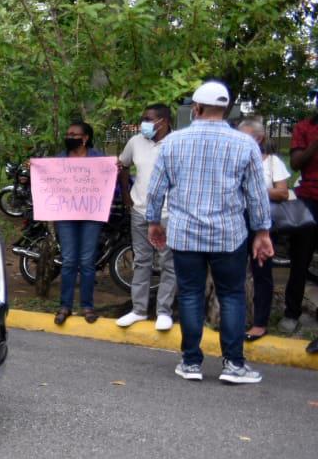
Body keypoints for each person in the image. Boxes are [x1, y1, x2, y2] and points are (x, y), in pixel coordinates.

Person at [146, 81, 272, 384]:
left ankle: (191, 362)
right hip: (228, 235)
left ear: (197, 109)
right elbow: (256, 195)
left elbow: (156, 189)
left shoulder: (174, 142)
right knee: (231, 296)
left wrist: (153, 222)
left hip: (185, 233)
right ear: (226, 109)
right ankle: (234, 365)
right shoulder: (245, 145)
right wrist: (262, 231)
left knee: (189, 295)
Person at [116, 104, 178, 331]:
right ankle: (138, 310)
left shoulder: (177, 142)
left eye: (147, 119)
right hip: (140, 211)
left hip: (168, 213)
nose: (143, 123)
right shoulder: (135, 142)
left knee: (168, 262)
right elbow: (122, 166)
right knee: (141, 261)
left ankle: (164, 311)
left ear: (163, 121)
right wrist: (125, 194)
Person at [238, 118, 292, 340]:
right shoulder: (234, 159)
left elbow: (282, 193)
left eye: (245, 135)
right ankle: (232, 318)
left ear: (258, 138)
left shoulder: (272, 162)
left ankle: (260, 322)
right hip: (234, 221)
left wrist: (254, 189)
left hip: (259, 222)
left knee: (261, 272)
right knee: (233, 272)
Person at [53, 121, 108, 325]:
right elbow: (49, 181)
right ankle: (65, 305)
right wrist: (37, 170)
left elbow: (108, 180)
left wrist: (115, 169)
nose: (69, 136)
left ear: (85, 138)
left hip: (91, 215)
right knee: (68, 261)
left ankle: (87, 305)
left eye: (74, 134)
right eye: (68, 133)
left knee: (86, 261)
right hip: (66, 215)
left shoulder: (99, 158)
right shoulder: (60, 159)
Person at [280, 108, 318, 334]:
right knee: (300, 261)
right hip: (309, 202)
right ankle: (291, 313)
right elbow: (295, 163)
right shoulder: (304, 127)